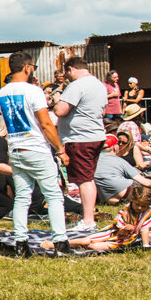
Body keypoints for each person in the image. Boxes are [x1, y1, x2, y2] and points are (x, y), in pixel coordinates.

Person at [0, 51, 69, 251]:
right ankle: (60, 241)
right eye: (33, 68)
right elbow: (45, 123)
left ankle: (20, 242)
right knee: (53, 195)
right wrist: (60, 150)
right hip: (36, 147)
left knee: (22, 197)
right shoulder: (34, 91)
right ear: (27, 67)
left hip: (16, 148)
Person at [53, 54, 110, 233]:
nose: (67, 77)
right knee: (87, 177)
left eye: (67, 74)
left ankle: (88, 220)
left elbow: (61, 110)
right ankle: (88, 218)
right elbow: (103, 111)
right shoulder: (99, 85)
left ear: (71, 69)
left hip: (80, 138)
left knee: (84, 180)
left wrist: (56, 100)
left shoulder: (77, 85)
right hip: (95, 134)